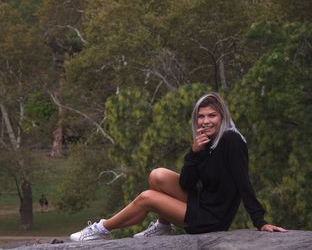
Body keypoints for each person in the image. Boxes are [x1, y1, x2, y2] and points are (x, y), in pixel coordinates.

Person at [70, 92, 286, 241]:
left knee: (147, 198)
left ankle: (101, 229)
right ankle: (163, 227)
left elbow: (243, 182)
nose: (205, 121)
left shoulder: (232, 140)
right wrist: (194, 153)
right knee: (157, 176)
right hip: (202, 201)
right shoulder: (206, 142)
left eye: (212, 115)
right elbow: (186, 183)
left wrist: (260, 221)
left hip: (211, 218)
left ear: (222, 117)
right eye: (201, 116)